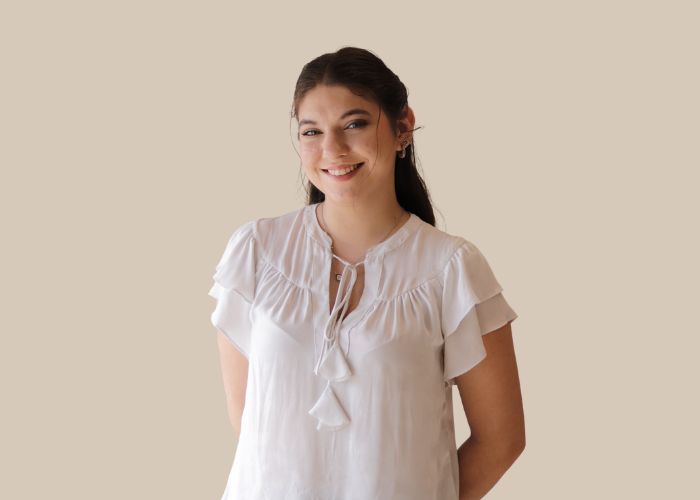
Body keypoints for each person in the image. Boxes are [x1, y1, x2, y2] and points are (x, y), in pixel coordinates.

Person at [208, 46, 525, 500]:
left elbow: (501, 439)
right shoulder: (255, 252)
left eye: (354, 124)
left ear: (402, 127)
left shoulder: (451, 269)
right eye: (312, 131)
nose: (332, 149)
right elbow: (253, 428)